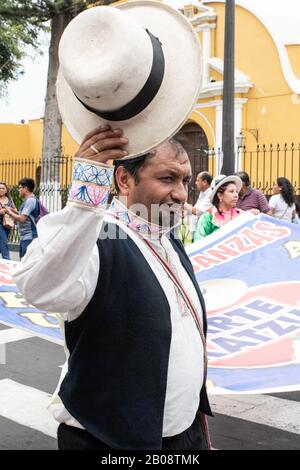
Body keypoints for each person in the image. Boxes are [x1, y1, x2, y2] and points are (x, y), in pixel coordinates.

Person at [13, 2, 212, 451]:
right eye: (167, 179)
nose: (182, 194)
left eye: (184, 180)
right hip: (108, 443)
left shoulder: (163, 235)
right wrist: (85, 193)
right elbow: (40, 287)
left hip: (182, 439)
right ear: (124, 178)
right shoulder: (98, 238)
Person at [194, 174, 243, 240]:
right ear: (220, 195)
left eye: (236, 191)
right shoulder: (208, 217)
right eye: (231, 191)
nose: (236, 195)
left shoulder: (242, 215)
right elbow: (199, 242)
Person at [5, 178, 38, 259]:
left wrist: (9, 212)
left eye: (20, 188)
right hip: (25, 237)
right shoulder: (28, 201)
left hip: (29, 237)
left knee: (25, 263)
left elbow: (22, 219)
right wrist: (13, 211)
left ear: (25, 188)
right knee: (23, 261)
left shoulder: (30, 201)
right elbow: (26, 217)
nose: (18, 190)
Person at [184, 171, 213, 236]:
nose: (196, 183)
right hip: (194, 229)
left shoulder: (210, 195)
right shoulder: (202, 193)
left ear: (204, 182)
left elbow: (198, 212)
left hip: (201, 232)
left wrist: (183, 204)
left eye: (198, 180)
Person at [0, 182, 16, 260]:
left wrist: (9, 210)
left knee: (2, 243)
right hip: (0, 224)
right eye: (0, 188)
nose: (1, 190)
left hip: (8, 224)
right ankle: (7, 260)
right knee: (4, 243)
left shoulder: (10, 200)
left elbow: (15, 210)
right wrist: (2, 211)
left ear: (6, 190)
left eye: (3, 188)